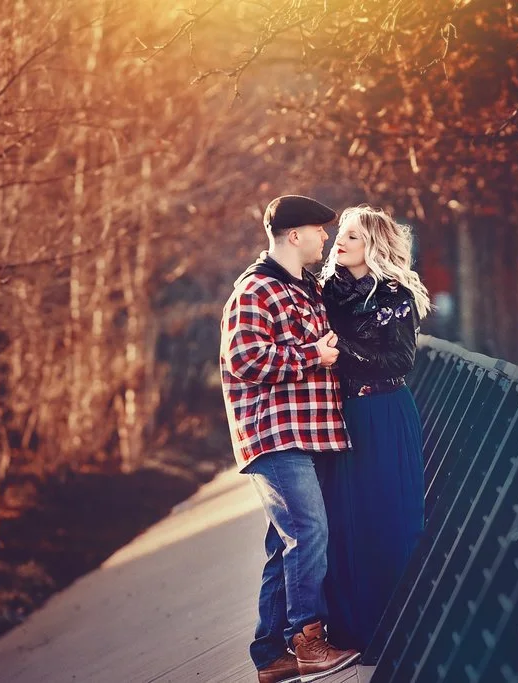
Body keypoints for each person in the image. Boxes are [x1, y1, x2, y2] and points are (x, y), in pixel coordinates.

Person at [220, 195, 362, 683]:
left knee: (287, 544)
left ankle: (269, 655)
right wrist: (311, 356)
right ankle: (307, 640)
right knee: (308, 533)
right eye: (320, 231)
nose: (326, 237)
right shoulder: (255, 290)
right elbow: (246, 358)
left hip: (309, 433)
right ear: (294, 235)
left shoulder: (304, 290)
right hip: (276, 434)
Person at [317, 205, 431, 654]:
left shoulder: (395, 294)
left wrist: (340, 352)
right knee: (343, 522)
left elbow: (401, 361)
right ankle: (352, 632)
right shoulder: (323, 291)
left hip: (384, 411)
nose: (339, 242)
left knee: (390, 518)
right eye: (340, 234)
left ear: (374, 247)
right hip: (338, 416)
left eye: (352, 237)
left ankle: (400, 628)